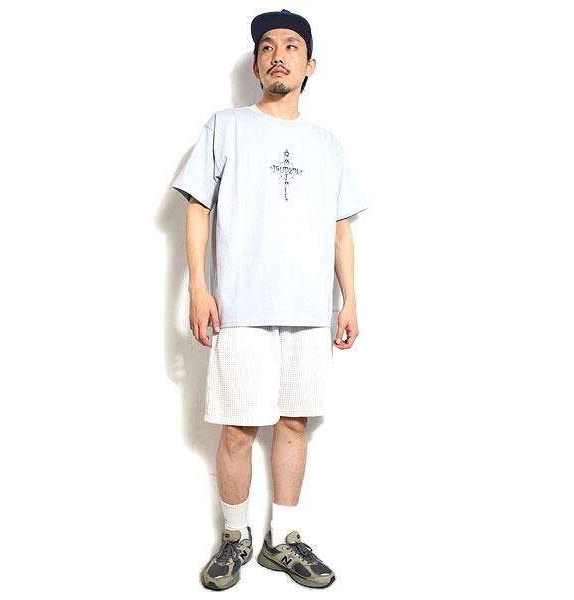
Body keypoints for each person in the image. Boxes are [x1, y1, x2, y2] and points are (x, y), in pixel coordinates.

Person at [171, 8, 368, 591]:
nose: (278, 55)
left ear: (310, 65)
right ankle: (235, 537)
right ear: (257, 65)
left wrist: (349, 300)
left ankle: (283, 539)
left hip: (307, 310)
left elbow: (340, 228)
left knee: (294, 424)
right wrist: (199, 287)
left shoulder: (327, 144)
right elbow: (198, 208)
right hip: (242, 308)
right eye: (266, 47)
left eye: (291, 46)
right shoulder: (226, 127)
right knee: (237, 429)